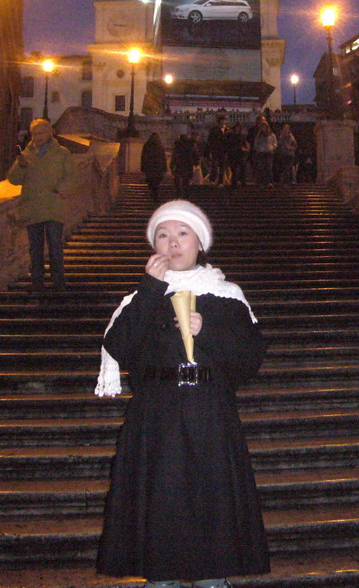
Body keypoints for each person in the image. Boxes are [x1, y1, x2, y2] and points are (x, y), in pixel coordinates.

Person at [95, 200, 270, 586]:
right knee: (160, 513)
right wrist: (149, 289)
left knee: (212, 513)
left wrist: (208, 329)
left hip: (210, 414)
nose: (172, 243)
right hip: (155, 418)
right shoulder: (141, 296)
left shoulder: (226, 294)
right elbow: (119, 346)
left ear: (199, 242)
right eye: (163, 234)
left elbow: (250, 358)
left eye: (182, 233)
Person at [6, 119, 79, 291]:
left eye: (40, 133)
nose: (37, 137)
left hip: (54, 207)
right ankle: (37, 282)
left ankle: (58, 281)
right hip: (33, 208)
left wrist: (60, 190)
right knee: (35, 248)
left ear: (49, 132)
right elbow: (13, 179)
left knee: (55, 245)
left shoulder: (62, 153)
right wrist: (20, 166)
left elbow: (72, 177)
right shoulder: (27, 155)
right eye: (34, 134)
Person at [141, 132, 168, 202]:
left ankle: (153, 193)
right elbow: (163, 158)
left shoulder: (147, 146)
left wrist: (143, 167)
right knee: (157, 182)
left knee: (151, 181)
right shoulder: (160, 146)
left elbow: (143, 157)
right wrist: (165, 168)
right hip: (158, 167)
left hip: (149, 167)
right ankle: (156, 194)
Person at [170, 133, 198, 199]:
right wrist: (195, 164)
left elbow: (174, 157)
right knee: (187, 181)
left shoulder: (177, 146)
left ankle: (178, 194)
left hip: (179, 165)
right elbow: (196, 156)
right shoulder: (191, 145)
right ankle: (186, 195)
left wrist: (171, 166)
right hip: (189, 166)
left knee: (178, 180)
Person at [253, 120, 276, 186]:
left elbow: (275, 143)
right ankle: (261, 181)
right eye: (262, 127)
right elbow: (256, 143)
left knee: (268, 167)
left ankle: (269, 181)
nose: (264, 128)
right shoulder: (259, 135)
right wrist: (258, 149)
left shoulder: (271, 135)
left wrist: (272, 148)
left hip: (269, 152)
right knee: (261, 167)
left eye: (265, 127)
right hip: (261, 153)